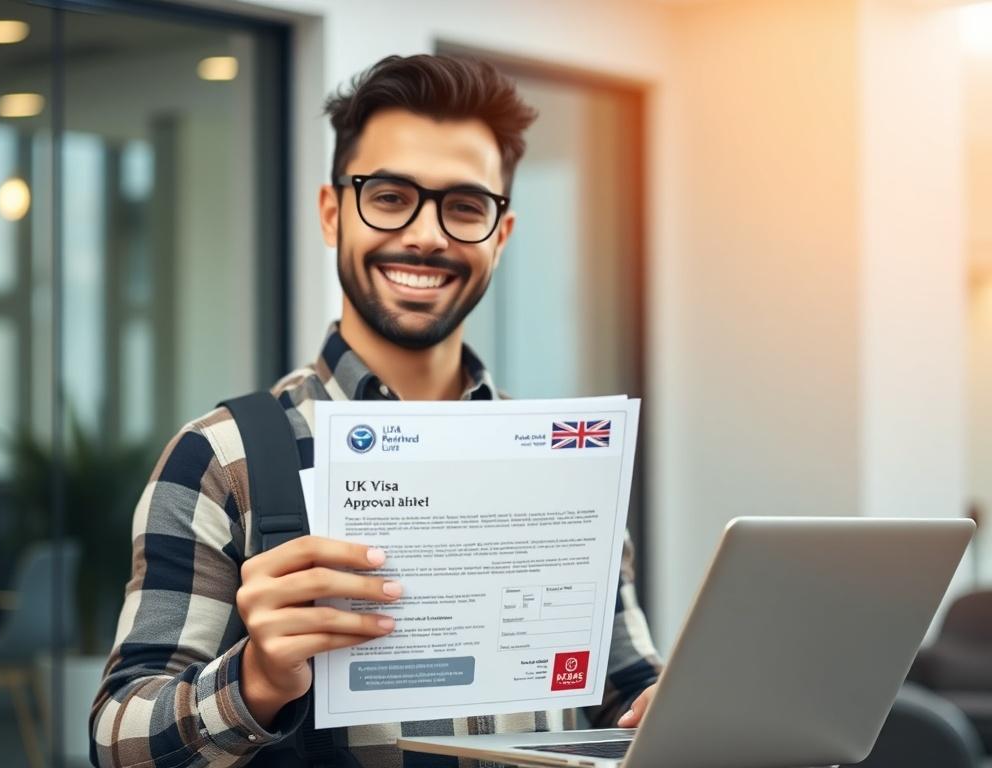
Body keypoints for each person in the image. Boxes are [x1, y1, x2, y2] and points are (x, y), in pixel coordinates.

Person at [89, 54, 661, 768]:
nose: (427, 235)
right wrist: (256, 679)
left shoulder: (566, 462)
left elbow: (627, 687)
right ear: (333, 214)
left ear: (501, 235)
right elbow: (118, 741)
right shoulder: (221, 459)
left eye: (464, 206)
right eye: (390, 196)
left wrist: (672, 703)